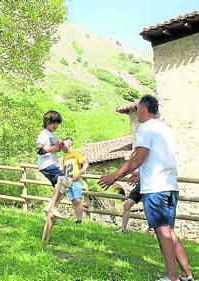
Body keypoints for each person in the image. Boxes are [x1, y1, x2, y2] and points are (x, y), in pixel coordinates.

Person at [98, 95, 194, 281]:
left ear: (143, 108)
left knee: (162, 232)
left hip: (156, 188)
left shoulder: (145, 128)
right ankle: (187, 275)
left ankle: (172, 278)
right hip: (170, 186)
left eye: (137, 109)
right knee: (169, 231)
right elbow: (157, 159)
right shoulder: (165, 129)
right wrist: (141, 173)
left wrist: (114, 176)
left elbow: (138, 158)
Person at [36, 110, 69, 219]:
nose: (56, 126)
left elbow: (65, 150)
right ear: (47, 122)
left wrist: (62, 145)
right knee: (63, 180)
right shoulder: (43, 134)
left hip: (53, 164)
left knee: (62, 188)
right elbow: (39, 150)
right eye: (54, 123)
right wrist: (52, 149)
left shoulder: (53, 135)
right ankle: (51, 207)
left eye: (57, 124)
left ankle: (50, 215)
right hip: (47, 164)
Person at [61, 137, 89, 223]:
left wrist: (78, 175)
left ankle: (80, 220)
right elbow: (63, 169)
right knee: (73, 201)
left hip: (75, 180)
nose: (62, 148)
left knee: (78, 200)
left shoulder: (76, 154)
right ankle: (77, 219)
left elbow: (86, 164)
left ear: (69, 144)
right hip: (68, 181)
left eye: (63, 145)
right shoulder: (64, 157)